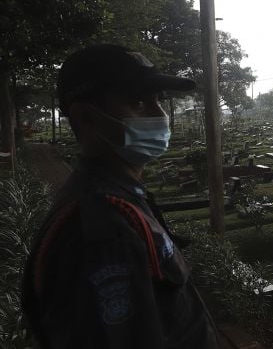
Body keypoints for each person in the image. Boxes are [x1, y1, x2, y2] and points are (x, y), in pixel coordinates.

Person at [22, 44, 220, 348]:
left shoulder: (121, 196)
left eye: (158, 100)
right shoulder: (102, 228)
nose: (160, 115)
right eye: (138, 102)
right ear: (86, 117)